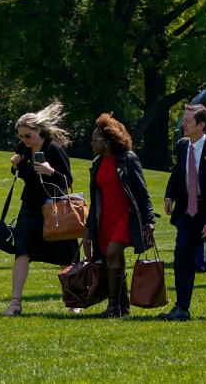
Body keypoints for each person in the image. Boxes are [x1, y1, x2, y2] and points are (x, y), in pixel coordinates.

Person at [160, 104, 206, 321]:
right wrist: (169, 195)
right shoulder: (183, 146)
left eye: (188, 121)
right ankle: (182, 307)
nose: (184, 124)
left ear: (201, 125)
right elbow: (177, 173)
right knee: (182, 255)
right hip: (189, 212)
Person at [5, 102, 77, 316]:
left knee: (66, 256)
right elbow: (23, 175)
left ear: (38, 131)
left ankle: (74, 301)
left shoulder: (54, 148)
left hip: (54, 209)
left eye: (27, 136)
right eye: (20, 137)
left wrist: (50, 171)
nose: (24, 141)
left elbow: (67, 180)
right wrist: (16, 166)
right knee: (22, 252)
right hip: (30, 208)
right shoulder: (23, 149)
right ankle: (15, 302)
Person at [84, 113, 156, 318]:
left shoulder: (128, 159)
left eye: (94, 140)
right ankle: (122, 308)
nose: (92, 143)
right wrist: (89, 227)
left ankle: (113, 306)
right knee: (111, 260)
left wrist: (149, 220)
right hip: (104, 218)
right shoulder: (97, 163)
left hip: (126, 216)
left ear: (106, 142)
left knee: (114, 253)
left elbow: (142, 193)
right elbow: (96, 197)